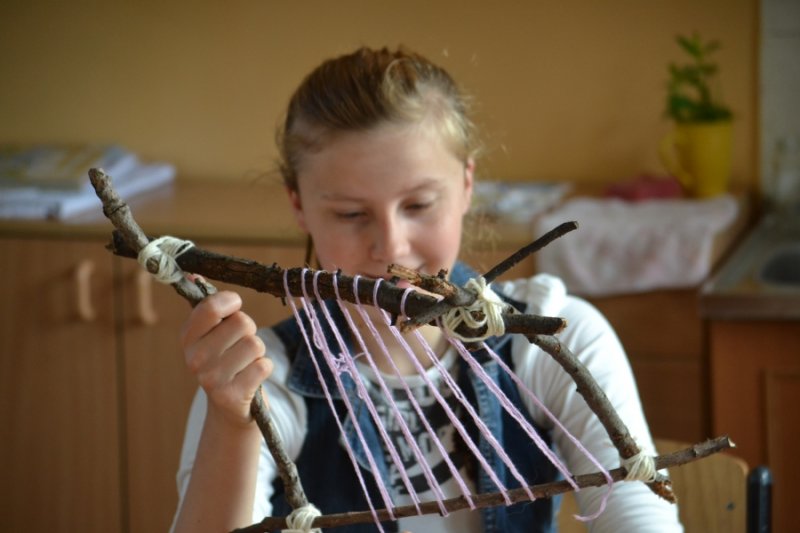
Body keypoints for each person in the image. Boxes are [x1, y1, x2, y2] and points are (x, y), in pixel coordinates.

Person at [171, 46, 682, 533]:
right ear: (299, 205)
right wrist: (233, 424)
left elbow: (640, 516)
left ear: (466, 185)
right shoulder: (261, 382)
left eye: (418, 205)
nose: (391, 247)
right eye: (350, 214)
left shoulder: (554, 343)